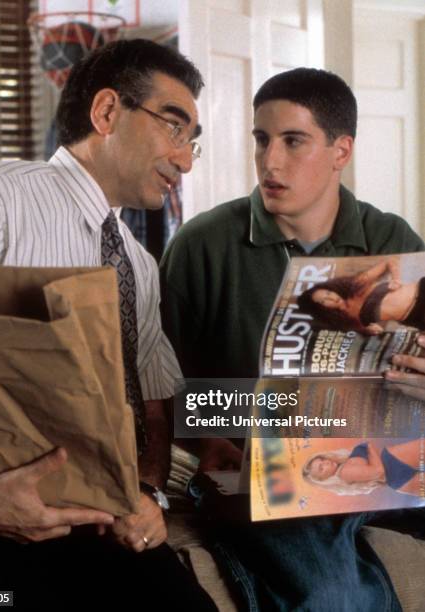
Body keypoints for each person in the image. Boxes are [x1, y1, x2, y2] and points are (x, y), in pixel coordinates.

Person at [0, 39, 218, 611]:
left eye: (193, 141)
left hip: (101, 524)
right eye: (173, 127)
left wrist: (145, 493)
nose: (186, 160)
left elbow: (153, 407)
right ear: (107, 112)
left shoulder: (140, 266)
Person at [160, 67, 425, 611]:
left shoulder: (393, 240)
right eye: (261, 139)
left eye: (292, 141)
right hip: (266, 479)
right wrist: (208, 437)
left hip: (382, 462)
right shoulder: (201, 245)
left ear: (340, 150)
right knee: (332, 593)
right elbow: (159, 386)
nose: (269, 161)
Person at [297, 257, 425, 334]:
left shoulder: (356, 285)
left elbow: (389, 261)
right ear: (322, 310)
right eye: (324, 301)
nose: (331, 297)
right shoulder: (347, 321)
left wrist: (396, 279)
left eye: (328, 293)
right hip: (416, 316)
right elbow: (371, 331)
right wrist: (372, 330)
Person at [303, 439, 425, 497]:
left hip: (397, 481)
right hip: (394, 460)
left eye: (322, 460)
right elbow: (378, 471)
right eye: (321, 468)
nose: (326, 463)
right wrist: (369, 446)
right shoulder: (344, 473)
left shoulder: (344, 469)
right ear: (323, 479)